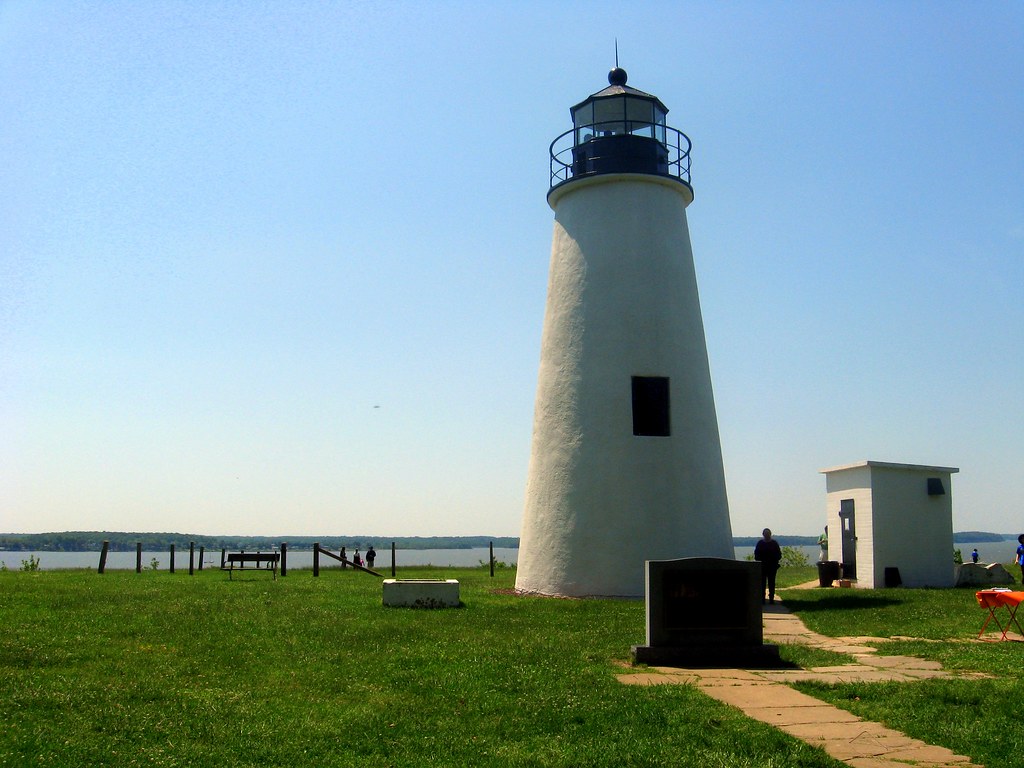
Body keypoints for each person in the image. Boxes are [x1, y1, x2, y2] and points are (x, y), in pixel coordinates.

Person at [754, 528, 783, 604]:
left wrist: (774, 560)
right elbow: (756, 555)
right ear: (763, 534)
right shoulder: (760, 543)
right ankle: (762, 598)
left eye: (768, 534)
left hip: (772, 567)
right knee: (762, 583)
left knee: (771, 582)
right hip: (762, 567)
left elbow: (779, 555)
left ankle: (771, 598)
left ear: (770, 534)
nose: (767, 535)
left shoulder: (774, 543)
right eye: (765, 534)